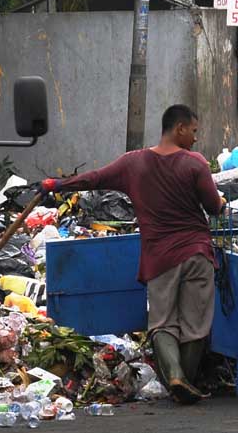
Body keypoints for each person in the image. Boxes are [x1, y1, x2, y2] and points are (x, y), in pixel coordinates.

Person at [41, 104, 224, 405]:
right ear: (179, 128)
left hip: (160, 257)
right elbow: (214, 207)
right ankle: (183, 383)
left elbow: (95, 178)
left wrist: (58, 185)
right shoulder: (195, 164)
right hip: (196, 253)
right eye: (193, 131)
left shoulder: (133, 163)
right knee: (196, 324)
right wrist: (221, 205)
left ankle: (175, 377)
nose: (195, 138)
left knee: (162, 323)